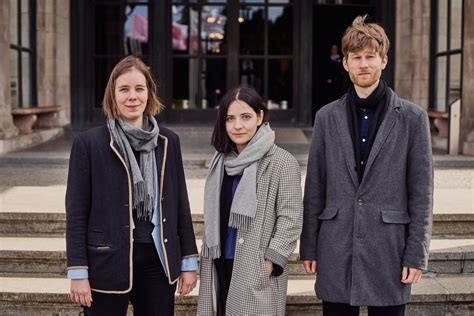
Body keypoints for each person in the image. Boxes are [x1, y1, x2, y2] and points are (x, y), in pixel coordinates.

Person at [300, 15, 433, 316]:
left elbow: (422, 193)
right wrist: (309, 245)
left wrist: (417, 253)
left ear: (384, 61)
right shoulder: (326, 117)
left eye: (370, 57)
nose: (363, 64)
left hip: (389, 248)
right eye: (356, 57)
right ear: (344, 63)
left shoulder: (413, 119)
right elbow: (315, 185)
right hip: (336, 244)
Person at [66, 55, 198, 315]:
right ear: (112, 95)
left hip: (158, 261)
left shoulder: (168, 141)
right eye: (124, 89)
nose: (132, 97)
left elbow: (180, 203)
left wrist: (188, 261)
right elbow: (77, 213)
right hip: (106, 261)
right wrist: (78, 271)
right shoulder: (89, 144)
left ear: (149, 93)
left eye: (139, 89)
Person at [197, 86, 303, 315]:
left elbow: (291, 219)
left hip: (255, 266)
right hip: (219, 261)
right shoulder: (220, 162)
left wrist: (269, 264)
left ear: (260, 117)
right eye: (230, 119)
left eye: (245, 117)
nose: (238, 126)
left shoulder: (282, 162)